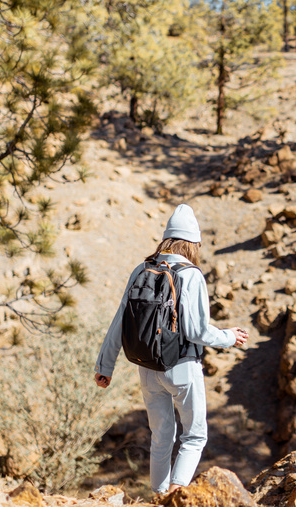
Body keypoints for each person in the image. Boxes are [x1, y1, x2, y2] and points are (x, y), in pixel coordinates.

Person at [94, 203, 248, 499]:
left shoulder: (142, 269)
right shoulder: (191, 275)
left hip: (147, 367)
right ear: (192, 243)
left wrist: (105, 366)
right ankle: (177, 496)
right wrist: (229, 336)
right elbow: (197, 332)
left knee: (161, 437)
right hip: (181, 368)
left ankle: (158, 496)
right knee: (194, 435)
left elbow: (120, 321)